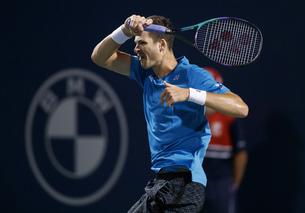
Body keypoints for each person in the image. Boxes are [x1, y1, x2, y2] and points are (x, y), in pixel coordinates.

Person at [91, 14, 249, 213]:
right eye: (135, 43)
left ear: (162, 45)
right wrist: (124, 31)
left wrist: (189, 93)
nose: (136, 48)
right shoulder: (144, 72)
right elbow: (100, 57)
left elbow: (241, 108)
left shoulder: (192, 74)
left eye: (141, 43)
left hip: (185, 182)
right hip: (160, 182)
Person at [202, 67, 248, 213]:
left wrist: (234, 183)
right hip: (195, 180)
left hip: (221, 181)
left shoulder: (229, 116)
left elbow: (241, 153)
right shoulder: (187, 115)